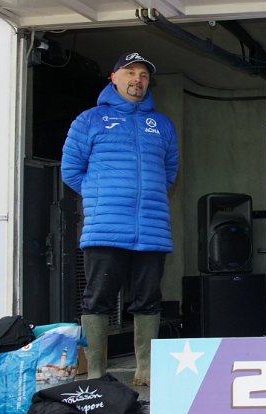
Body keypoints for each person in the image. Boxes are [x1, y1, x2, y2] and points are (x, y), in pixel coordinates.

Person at [61, 51, 179, 385]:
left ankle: (145, 371)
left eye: (143, 75)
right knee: (97, 299)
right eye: (130, 73)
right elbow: (71, 171)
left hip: (152, 230)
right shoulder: (89, 120)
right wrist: (103, 195)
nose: (137, 80)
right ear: (113, 78)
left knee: (148, 300)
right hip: (105, 229)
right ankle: (97, 374)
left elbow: (169, 171)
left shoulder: (163, 125)